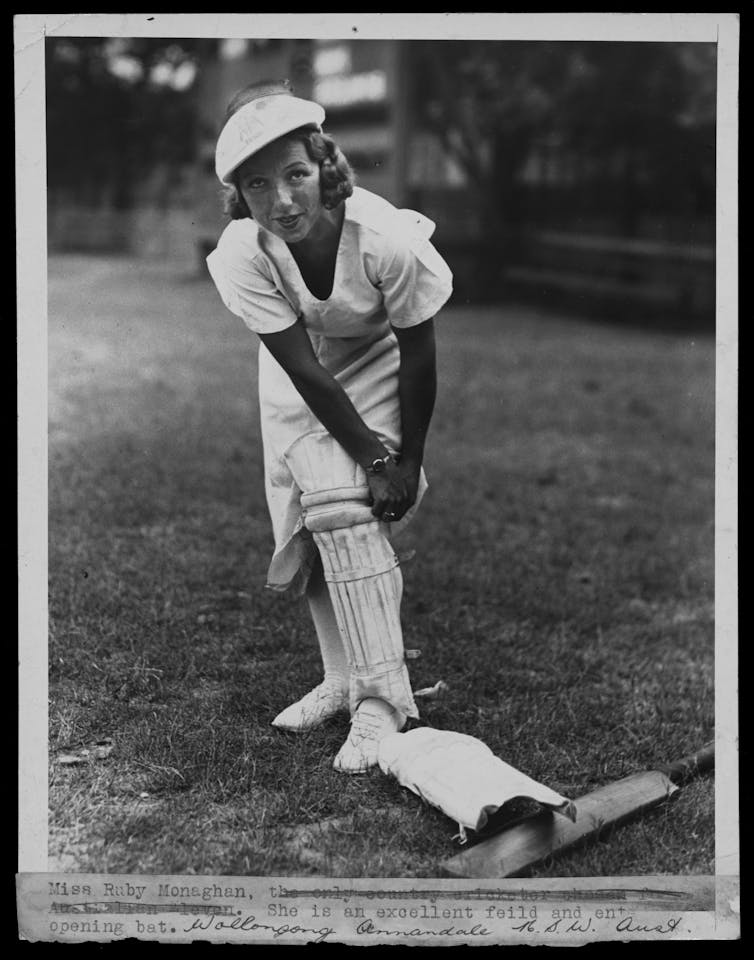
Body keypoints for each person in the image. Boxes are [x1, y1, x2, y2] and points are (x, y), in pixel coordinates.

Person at [206, 81, 453, 773]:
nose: (282, 201)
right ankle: (340, 678)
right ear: (240, 196)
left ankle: (382, 702)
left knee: (351, 510)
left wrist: (398, 460)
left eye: (295, 175)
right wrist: (363, 456)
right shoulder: (242, 253)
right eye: (258, 185)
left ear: (325, 167)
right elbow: (304, 371)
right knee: (308, 514)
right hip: (303, 370)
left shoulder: (383, 238)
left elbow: (419, 352)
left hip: (381, 355)